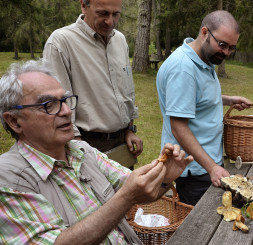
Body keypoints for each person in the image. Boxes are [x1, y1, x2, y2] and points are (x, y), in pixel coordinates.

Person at [0, 59, 193, 244]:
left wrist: (165, 177)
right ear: (14, 121)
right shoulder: (8, 179)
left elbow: (138, 189)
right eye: (48, 105)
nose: (66, 111)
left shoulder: (81, 151)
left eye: (65, 100)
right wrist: (126, 197)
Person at [156, 10, 252, 205]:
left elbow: (195, 99)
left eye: (231, 48)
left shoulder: (203, 59)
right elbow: (179, 127)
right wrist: (212, 168)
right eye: (223, 45)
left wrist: (227, 99)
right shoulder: (184, 68)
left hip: (207, 165)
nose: (226, 53)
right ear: (204, 32)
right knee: (202, 231)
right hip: (196, 170)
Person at [42, 0, 142, 168]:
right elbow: (57, 103)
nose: (110, 22)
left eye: (116, 14)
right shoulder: (61, 42)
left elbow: (126, 90)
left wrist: (129, 130)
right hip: (84, 144)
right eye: (103, 13)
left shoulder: (120, 40)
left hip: (121, 144)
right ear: (83, 5)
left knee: (128, 193)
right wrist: (77, 145)